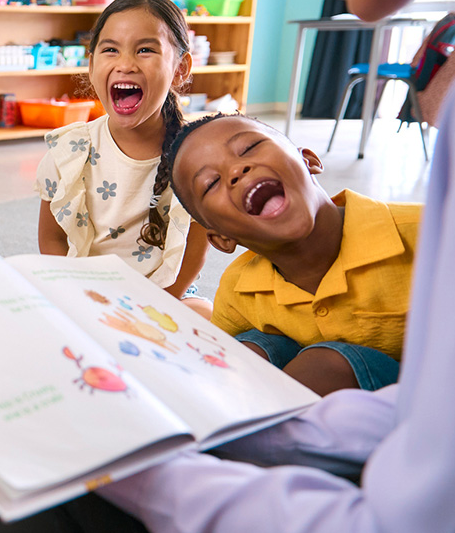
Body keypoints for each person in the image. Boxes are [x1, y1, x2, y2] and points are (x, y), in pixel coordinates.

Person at [0, 0, 455, 533]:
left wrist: (134, 469)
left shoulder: (438, 181)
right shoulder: (83, 157)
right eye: (108, 48)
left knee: (9, 492)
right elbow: (429, 416)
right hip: (373, 471)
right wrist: (270, 433)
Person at [166, 113, 418, 395]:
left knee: (321, 364)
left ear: (309, 160)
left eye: (249, 148)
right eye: (211, 183)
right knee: (243, 353)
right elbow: (219, 372)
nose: (236, 171)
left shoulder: (430, 233)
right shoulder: (239, 293)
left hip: (433, 400)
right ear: (223, 239)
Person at [34, 0, 212, 318]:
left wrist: (153, 307)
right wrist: (74, 294)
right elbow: (52, 238)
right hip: (87, 291)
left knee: (206, 316)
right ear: (91, 64)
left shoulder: (198, 153)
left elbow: (193, 250)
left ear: (180, 68)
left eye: (145, 50)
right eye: (110, 50)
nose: (125, 64)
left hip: (168, 291)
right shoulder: (70, 149)